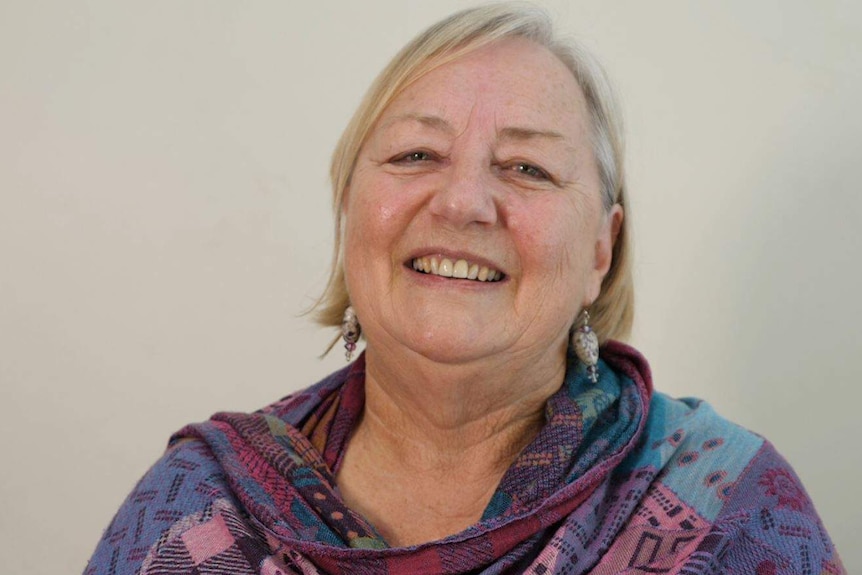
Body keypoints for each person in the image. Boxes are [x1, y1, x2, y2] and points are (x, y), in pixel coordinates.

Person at [85, 4, 843, 574]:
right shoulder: (191, 506)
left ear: (600, 251)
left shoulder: (736, 513)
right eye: (417, 154)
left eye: (527, 168)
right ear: (352, 216)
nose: (461, 203)